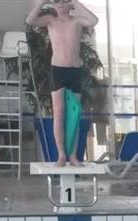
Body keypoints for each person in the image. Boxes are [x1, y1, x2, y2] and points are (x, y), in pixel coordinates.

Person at [24, 0, 98, 166]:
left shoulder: (77, 21)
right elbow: (30, 21)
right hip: (58, 70)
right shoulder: (51, 20)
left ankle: (73, 155)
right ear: (53, 5)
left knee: (74, 114)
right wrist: (40, 4)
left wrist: (76, 3)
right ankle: (61, 154)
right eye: (58, 1)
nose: (62, 4)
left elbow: (94, 20)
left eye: (65, 1)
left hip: (75, 70)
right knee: (59, 113)